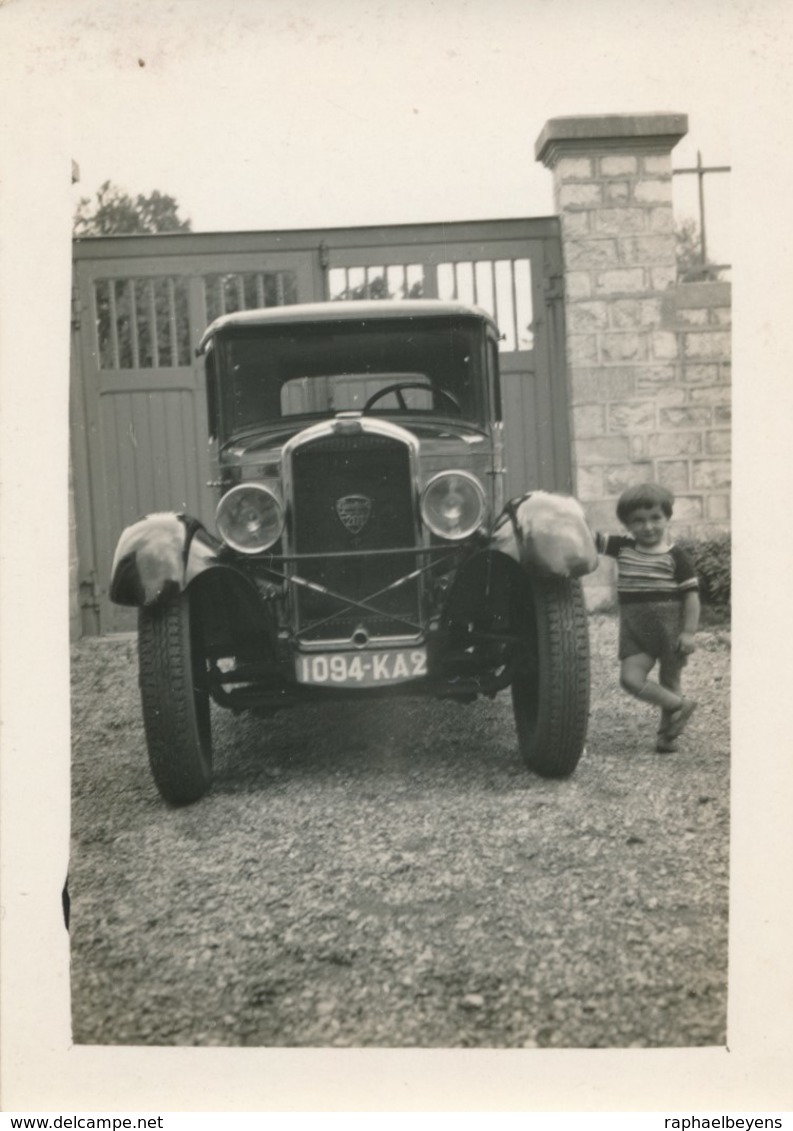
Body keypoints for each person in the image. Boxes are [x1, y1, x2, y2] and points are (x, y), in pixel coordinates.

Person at [595, 483, 700, 753]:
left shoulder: (676, 557)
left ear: (667, 518)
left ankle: (666, 737)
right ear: (627, 525)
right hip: (635, 631)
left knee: (670, 682)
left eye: (655, 518)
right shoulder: (622, 548)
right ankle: (680, 705)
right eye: (637, 521)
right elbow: (589, 538)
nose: (648, 526)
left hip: (670, 631)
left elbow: (691, 598)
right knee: (630, 679)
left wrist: (688, 632)